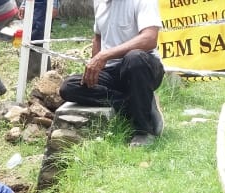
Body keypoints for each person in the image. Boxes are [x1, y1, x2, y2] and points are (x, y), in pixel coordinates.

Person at [58, 0, 164, 147]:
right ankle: (136, 104)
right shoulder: (100, 2)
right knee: (69, 87)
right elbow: (98, 38)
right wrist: (94, 66)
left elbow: (150, 39)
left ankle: (144, 130)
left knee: (134, 58)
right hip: (111, 71)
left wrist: (104, 55)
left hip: (143, 67)